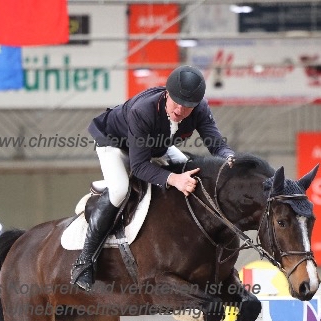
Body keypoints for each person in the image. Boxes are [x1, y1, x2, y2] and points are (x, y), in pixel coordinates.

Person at [70, 65, 235, 291]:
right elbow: (138, 166)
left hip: (156, 146)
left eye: (187, 106)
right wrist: (175, 179)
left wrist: (230, 158)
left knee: (189, 166)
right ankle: (85, 261)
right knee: (120, 190)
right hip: (115, 144)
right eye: (176, 101)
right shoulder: (144, 110)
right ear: (166, 93)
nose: (179, 109)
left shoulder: (199, 109)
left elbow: (216, 144)